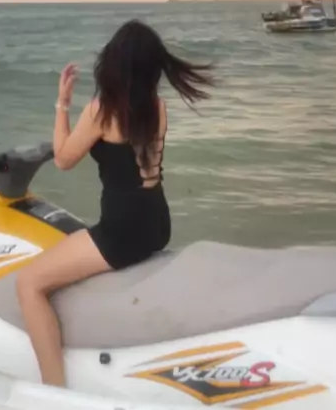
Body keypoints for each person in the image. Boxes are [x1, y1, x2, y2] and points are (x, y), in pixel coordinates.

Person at [16, 19, 212, 388]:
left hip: (122, 234)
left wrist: (62, 105)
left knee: (29, 284)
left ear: (114, 62)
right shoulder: (157, 106)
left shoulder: (102, 110)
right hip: (158, 225)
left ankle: (54, 390)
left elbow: (63, 158)